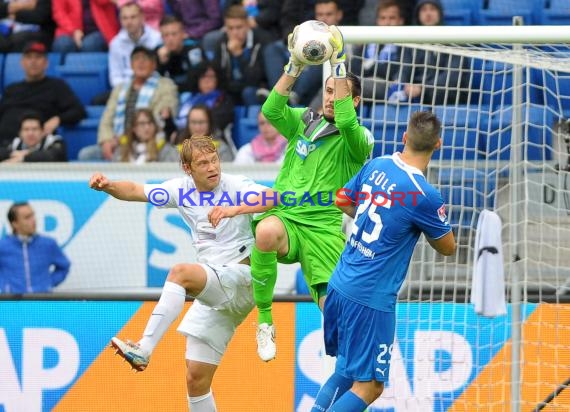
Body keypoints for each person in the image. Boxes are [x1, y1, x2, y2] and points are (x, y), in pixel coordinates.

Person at [209, 24, 374, 362]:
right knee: (266, 232)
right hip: (285, 217)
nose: (331, 97)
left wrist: (339, 61)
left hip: (323, 229)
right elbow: (270, 111)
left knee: (337, 315)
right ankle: (265, 322)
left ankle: (351, 372)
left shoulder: (359, 139)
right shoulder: (305, 121)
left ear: (354, 100)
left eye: (338, 92)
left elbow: (346, 123)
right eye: (327, 91)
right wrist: (294, 67)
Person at [89, 136, 270, 412]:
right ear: (188, 168)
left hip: (241, 277)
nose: (212, 167)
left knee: (180, 273)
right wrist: (108, 185)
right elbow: (137, 190)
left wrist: (235, 209)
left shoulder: (235, 185)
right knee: (196, 378)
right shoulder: (181, 190)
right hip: (216, 288)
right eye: (203, 163)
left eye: (214, 160)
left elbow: (272, 197)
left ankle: (144, 349)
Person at [311, 111, 456, 412]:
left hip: (340, 282)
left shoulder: (377, 165)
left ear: (404, 138)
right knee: (370, 386)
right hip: (370, 299)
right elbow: (448, 247)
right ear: (438, 144)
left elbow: (342, 199)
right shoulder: (424, 195)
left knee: (346, 371)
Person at [78, 46, 178, 161]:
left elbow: (161, 117)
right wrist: (106, 140)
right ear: (131, 65)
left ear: (154, 64)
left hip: (150, 142)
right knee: (86, 154)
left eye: (145, 59)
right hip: (118, 143)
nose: (140, 62)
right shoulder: (120, 88)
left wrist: (130, 137)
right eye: (136, 59)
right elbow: (107, 118)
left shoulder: (166, 86)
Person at [0, 41, 86, 149]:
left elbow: (78, 111)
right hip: (4, 146)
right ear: (22, 62)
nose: (33, 61)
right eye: (29, 57)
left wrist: (58, 119)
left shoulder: (56, 86)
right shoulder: (11, 89)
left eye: (38, 57)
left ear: (46, 63)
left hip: (36, 149)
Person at [0, 202, 71, 294]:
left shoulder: (48, 244)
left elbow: (64, 266)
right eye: (27, 217)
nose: (33, 220)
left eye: (33, 215)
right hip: (13, 303)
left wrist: (48, 284)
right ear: (15, 224)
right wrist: (5, 286)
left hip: (41, 303)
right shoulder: (3, 245)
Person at [211, 4, 271, 106]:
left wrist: (239, 55)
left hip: (255, 90)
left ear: (248, 25)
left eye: (239, 27)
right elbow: (218, 76)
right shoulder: (221, 43)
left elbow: (257, 79)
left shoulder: (261, 41)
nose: (235, 32)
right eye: (230, 28)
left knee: (247, 92)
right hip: (231, 90)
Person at [108, 2, 162, 88]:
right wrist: (130, 88)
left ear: (142, 18)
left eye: (133, 17)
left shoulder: (157, 38)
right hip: (126, 89)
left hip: (153, 87)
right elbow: (115, 77)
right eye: (125, 18)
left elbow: (160, 72)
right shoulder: (115, 44)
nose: (129, 22)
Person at [155, 15, 208, 94]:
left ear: (183, 34)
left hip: (192, 94)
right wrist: (162, 64)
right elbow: (155, 83)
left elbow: (197, 81)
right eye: (166, 35)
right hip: (168, 94)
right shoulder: (158, 53)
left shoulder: (193, 50)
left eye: (174, 34)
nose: (170, 39)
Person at [51, 0, 120, 52]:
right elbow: (59, 13)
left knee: (90, 45)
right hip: (69, 30)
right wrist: (74, 30)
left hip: (99, 30)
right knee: (62, 44)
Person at [114, 108, 178, 163]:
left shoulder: (165, 149)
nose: (147, 127)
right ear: (134, 128)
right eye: (142, 124)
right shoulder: (122, 150)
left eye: (150, 123)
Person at [0, 112, 67, 162]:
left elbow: (52, 156)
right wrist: (12, 154)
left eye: (35, 129)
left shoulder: (55, 141)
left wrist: (24, 157)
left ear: (42, 131)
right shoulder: (14, 143)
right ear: (20, 133)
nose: (30, 133)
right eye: (26, 129)